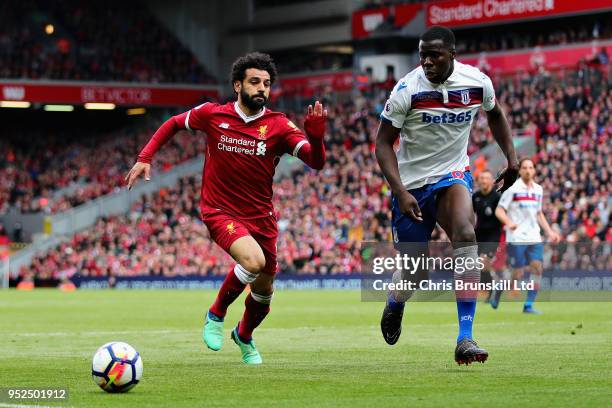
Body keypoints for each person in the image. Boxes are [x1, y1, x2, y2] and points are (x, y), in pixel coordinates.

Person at [125, 52, 327, 364]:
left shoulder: (279, 126)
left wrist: (316, 136)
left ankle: (244, 335)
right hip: (220, 210)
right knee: (253, 261)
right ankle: (216, 314)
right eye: (255, 82)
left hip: (262, 217)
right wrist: (145, 156)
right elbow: (174, 123)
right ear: (238, 85)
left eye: (267, 84)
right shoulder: (212, 114)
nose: (262, 88)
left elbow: (316, 162)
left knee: (264, 291)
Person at [375, 26, 518, 365]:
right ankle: (396, 300)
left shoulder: (476, 82)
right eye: (422, 55)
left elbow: (495, 114)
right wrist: (399, 190)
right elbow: (382, 143)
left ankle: (465, 337)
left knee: (466, 235)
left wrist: (511, 158)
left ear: (452, 54)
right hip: (411, 184)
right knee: (415, 273)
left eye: (434, 55)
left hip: (453, 175)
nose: (426, 61)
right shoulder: (407, 90)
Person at [494, 158, 560, 314]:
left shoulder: (538, 189)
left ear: (535, 170)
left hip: (534, 236)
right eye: (524, 168)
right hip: (516, 237)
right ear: (520, 171)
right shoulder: (512, 189)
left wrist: (550, 232)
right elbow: (499, 210)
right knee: (517, 274)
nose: (528, 170)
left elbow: (539, 213)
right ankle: (499, 289)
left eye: (531, 167)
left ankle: (528, 305)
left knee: (537, 268)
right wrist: (509, 223)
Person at [472, 169, 503, 302]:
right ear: (478, 182)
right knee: (480, 266)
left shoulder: (497, 197)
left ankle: (493, 287)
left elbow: (503, 215)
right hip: (479, 235)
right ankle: (494, 287)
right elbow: (471, 215)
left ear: (491, 181)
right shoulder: (475, 196)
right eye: (481, 178)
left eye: (486, 178)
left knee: (483, 261)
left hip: (493, 235)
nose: (484, 181)